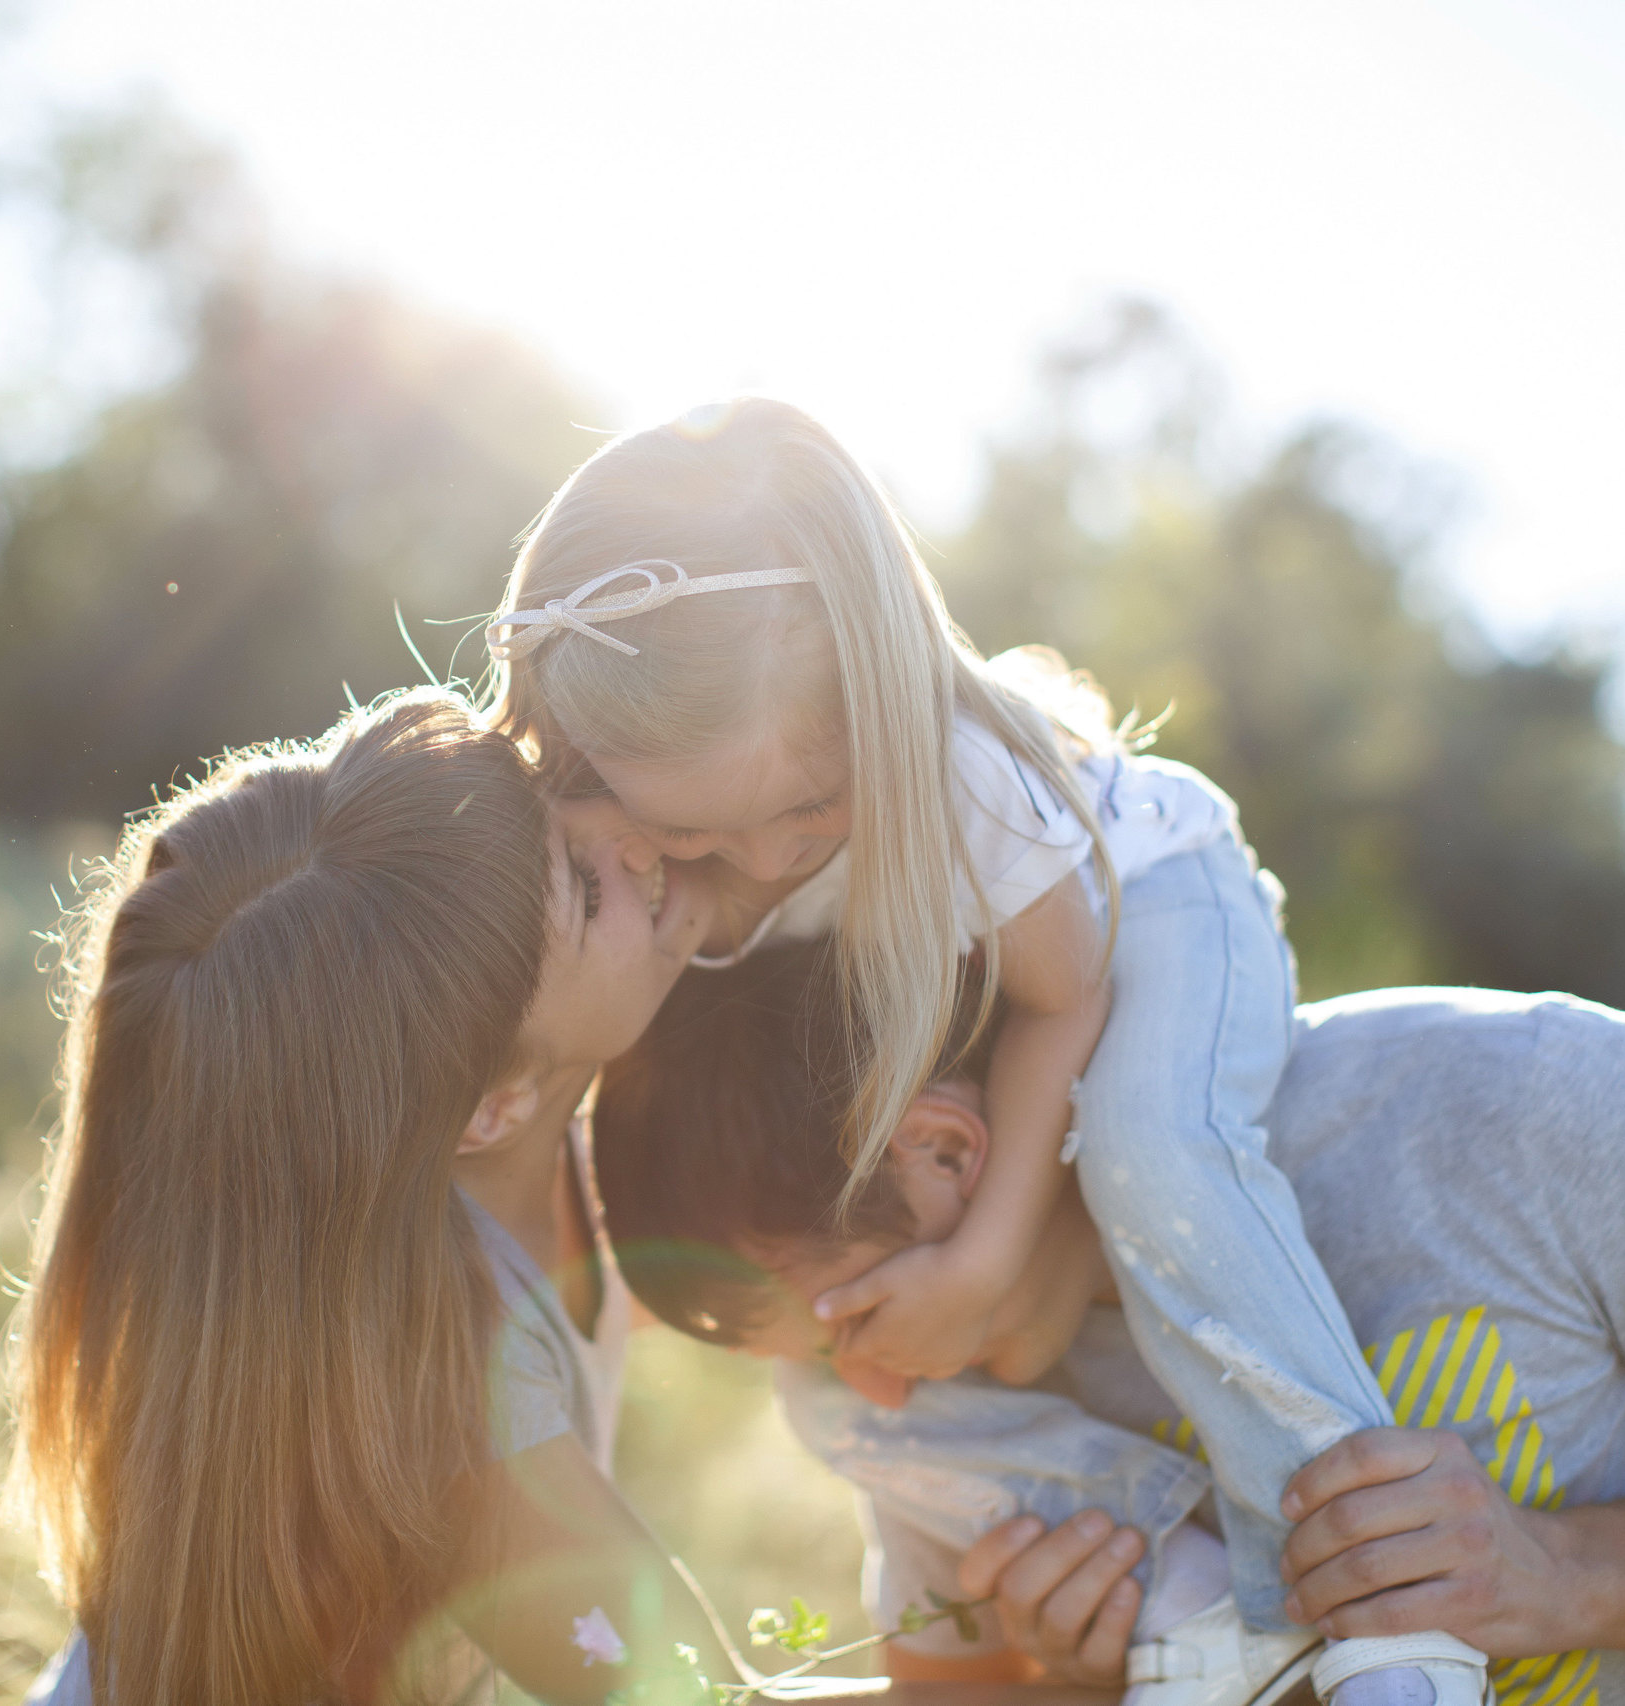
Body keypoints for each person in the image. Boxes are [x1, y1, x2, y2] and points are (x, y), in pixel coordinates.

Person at [490, 398, 1480, 1703]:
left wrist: (987, 1252)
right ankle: (1203, 1603)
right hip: (977, 989)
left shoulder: (954, 776)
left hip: (1147, 908)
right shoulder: (683, 789)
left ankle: (1383, 1601)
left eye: (798, 815)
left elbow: (1066, 992)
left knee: (1158, 1152)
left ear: (877, 700)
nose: (759, 867)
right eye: (693, 841)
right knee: (831, 1390)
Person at [591, 944, 1625, 1706]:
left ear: (942, 1153)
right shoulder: (926, 1406)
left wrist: (1556, 1571)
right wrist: (1081, 1681)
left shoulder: (1529, 1105)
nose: (869, 1398)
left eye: (854, 1326)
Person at [5, 688, 742, 1706]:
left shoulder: (491, 1138)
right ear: (490, 1102)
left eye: (551, 803)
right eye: (580, 884)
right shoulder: (446, 1377)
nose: (628, 836)